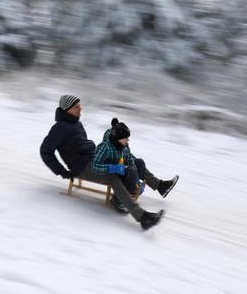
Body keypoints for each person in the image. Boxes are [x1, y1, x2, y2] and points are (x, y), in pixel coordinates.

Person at [40, 94, 178, 231]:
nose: (80, 108)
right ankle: (142, 217)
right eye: (76, 107)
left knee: (129, 157)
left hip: (93, 158)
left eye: (80, 105)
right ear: (67, 109)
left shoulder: (76, 122)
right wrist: (62, 171)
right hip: (82, 167)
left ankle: (160, 186)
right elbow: (45, 151)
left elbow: (82, 146)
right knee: (113, 175)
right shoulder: (59, 129)